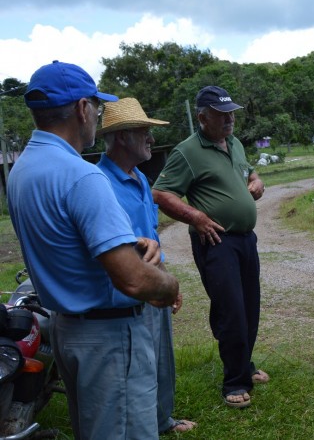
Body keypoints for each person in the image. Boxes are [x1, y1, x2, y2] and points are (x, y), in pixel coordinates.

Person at [7, 60, 179, 439]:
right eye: (97, 107)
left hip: (67, 328)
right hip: (109, 337)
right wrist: (169, 286)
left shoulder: (22, 170)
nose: (96, 116)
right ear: (83, 109)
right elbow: (132, 279)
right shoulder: (81, 175)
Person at [152, 86, 268, 409]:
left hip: (246, 239)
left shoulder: (234, 143)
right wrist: (197, 217)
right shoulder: (187, 151)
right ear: (202, 117)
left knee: (249, 306)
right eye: (221, 114)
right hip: (216, 241)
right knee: (231, 309)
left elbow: (249, 173)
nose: (230, 118)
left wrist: (257, 183)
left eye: (231, 112)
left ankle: (244, 364)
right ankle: (234, 382)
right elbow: (161, 194)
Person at [96, 98, 196, 434]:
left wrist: (166, 279)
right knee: (138, 364)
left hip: (152, 283)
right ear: (122, 137)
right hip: (125, 288)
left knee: (161, 355)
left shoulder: (139, 178)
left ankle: (161, 417)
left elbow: (152, 235)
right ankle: (144, 421)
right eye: (144, 133)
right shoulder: (99, 184)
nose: (151, 139)